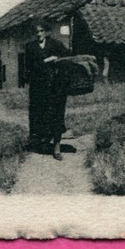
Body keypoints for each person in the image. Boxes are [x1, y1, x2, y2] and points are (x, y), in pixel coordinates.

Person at [22, 18, 71, 159]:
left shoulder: (55, 44)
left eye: (41, 31)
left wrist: (59, 58)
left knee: (57, 114)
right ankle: (42, 143)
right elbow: (30, 67)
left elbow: (67, 54)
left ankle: (57, 147)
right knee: (40, 115)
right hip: (38, 87)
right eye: (36, 32)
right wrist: (47, 60)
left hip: (56, 86)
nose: (39, 34)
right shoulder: (30, 47)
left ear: (46, 32)